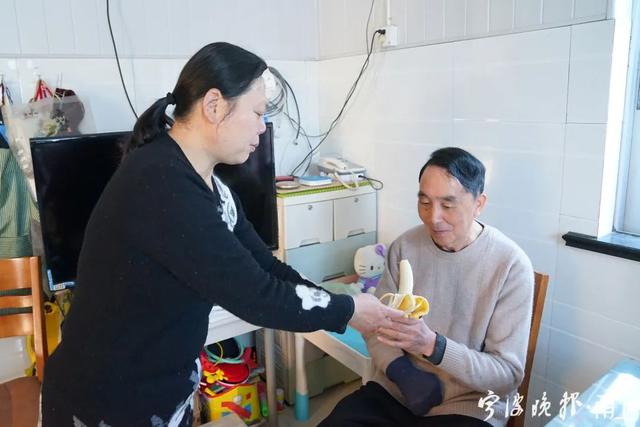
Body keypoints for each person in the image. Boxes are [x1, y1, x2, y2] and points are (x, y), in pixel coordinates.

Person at [40, 42, 402, 427]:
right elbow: (256, 296)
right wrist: (349, 311)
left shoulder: (210, 188)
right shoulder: (161, 183)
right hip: (106, 403)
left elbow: (266, 268)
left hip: (160, 394)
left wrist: (342, 303)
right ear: (214, 105)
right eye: (257, 113)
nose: (262, 127)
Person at [321, 147, 534, 427]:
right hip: (397, 390)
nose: (433, 217)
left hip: (468, 404)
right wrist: (401, 371)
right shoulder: (404, 247)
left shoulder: (510, 265)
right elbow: (375, 327)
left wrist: (433, 345)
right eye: (424, 202)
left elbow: (506, 374)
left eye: (448, 205)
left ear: (479, 203)